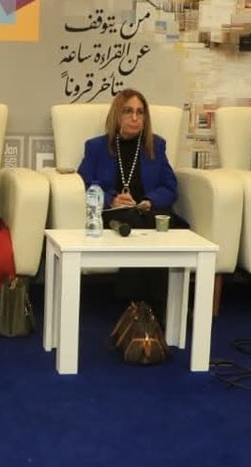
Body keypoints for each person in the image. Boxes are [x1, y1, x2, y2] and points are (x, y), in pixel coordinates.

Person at [77, 89, 187, 312]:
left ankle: (139, 305)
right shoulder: (96, 147)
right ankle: (152, 306)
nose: (135, 118)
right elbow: (84, 184)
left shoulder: (155, 145)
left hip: (148, 211)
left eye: (140, 112)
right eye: (128, 111)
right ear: (117, 115)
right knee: (136, 222)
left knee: (151, 222)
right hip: (115, 215)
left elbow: (170, 186)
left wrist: (148, 200)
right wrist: (111, 199)